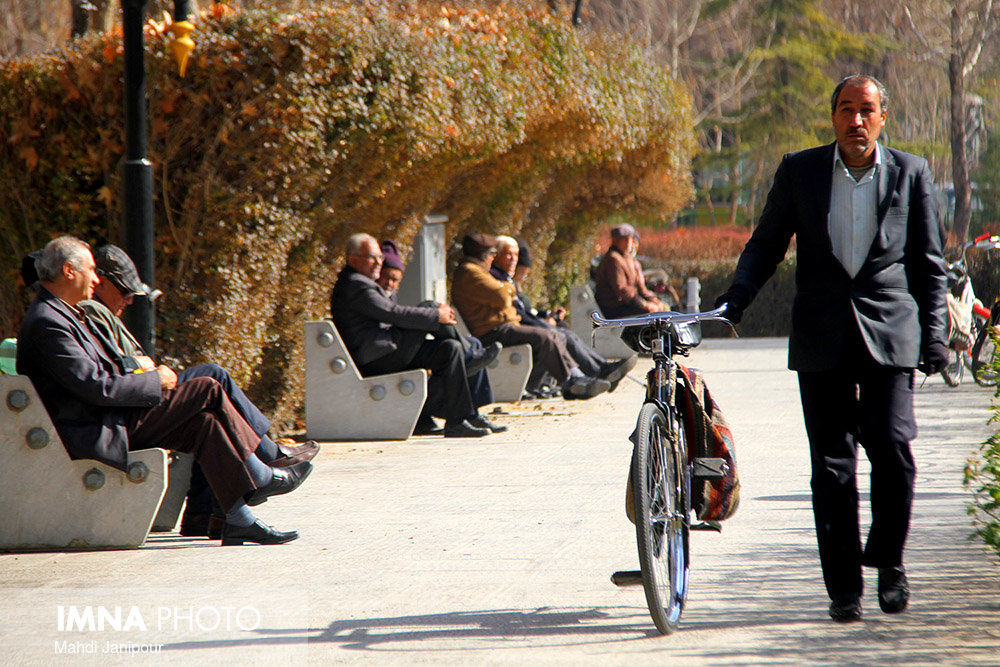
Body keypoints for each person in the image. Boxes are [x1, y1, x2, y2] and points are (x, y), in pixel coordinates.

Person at [715, 75, 949, 622]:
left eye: (866, 110)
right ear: (833, 116)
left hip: (890, 330)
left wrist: (934, 334)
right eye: (846, 109)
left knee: (892, 446)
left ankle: (889, 560)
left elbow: (928, 265)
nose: (856, 120)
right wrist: (738, 298)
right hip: (822, 332)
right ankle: (844, 588)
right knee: (832, 463)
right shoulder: (800, 171)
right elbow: (766, 242)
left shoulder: (910, 172)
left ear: (882, 116)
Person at [16, 237, 310, 546]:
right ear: (69, 271)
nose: (96, 278)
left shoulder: (61, 313)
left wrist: (144, 372)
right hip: (96, 429)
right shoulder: (49, 322)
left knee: (203, 423)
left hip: (108, 418)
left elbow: (102, 374)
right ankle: (261, 474)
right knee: (207, 387)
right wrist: (156, 381)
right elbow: (97, 386)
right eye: (91, 270)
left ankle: (238, 519)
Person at [330, 233, 497, 438]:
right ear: (352, 259)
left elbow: (392, 313)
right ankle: (469, 353)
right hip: (378, 358)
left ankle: (459, 420)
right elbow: (393, 314)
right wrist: (436, 314)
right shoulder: (356, 284)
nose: (377, 263)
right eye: (371, 257)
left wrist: (435, 316)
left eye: (379, 258)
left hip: (387, 352)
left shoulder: (361, 282)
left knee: (449, 350)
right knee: (430, 308)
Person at [451, 233, 610, 400]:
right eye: (492, 254)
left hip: (504, 327)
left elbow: (502, 297)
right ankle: (572, 381)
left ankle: (575, 379)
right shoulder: (470, 271)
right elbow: (501, 296)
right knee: (545, 336)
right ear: (485, 255)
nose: (493, 258)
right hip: (492, 332)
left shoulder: (477, 271)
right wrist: (508, 286)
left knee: (554, 334)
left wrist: (505, 289)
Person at [375, 239, 506, 434]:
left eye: (395, 280)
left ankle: (472, 413)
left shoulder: (385, 293)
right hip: (386, 355)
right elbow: (395, 315)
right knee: (433, 312)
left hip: (395, 347)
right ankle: (468, 358)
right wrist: (435, 312)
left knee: (466, 344)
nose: (390, 283)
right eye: (386, 277)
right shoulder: (368, 292)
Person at [491, 236, 636, 390]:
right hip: (507, 330)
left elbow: (524, 311)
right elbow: (517, 313)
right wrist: (544, 323)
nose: (514, 259)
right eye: (508, 254)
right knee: (558, 334)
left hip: (520, 325)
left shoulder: (505, 279)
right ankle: (585, 376)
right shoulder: (497, 280)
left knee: (564, 331)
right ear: (495, 255)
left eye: (516, 255)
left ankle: (601, 369)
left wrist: (547, 315)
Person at [593, 223, 667, 318]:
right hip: (614, 307)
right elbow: (622, 290)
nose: (628, 243)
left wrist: (653, 299)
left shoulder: (629, 259)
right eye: (624, 239)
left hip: (628, 302)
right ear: (616, 241)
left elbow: (641, 288)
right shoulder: (613, 259)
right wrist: (644, 304)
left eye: (630, 239)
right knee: (655, 315)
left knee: (664, 308)